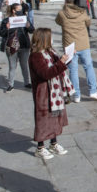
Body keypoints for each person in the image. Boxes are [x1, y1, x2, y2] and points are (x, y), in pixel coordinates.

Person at [28, 28, 72, 159]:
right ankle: (40, 147)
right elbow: (46, 73)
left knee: (54, 117)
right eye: (50, 37)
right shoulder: (35, 56)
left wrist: (67, 57)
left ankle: (53, 143)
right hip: (43, 91)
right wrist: (62, 62)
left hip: (54, 91)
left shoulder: (50, 52)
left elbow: (58, 66)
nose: (52, 39)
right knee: (43, 119)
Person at [56, 0, 97, 102]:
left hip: (70, 45)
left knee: (73, 70)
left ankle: (76, 95)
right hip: (83, 43)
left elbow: (58, 22)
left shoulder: (62, 13)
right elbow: (88, 23)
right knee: (88, 67)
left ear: (65, 0)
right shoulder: (82, 12)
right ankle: (93, 91)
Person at [0, 3, 33, 93]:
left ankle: (27, 82)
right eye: (19, 9)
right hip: (12, 46)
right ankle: (11, 84)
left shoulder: (25, 19)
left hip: (24, 45)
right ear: (14, 10)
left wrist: (29, 26)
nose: (21, 11)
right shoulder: (6, 20)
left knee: (24, 65)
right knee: (12, 66)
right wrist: (7, 28)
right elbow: (1, 33)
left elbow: (32, 30)